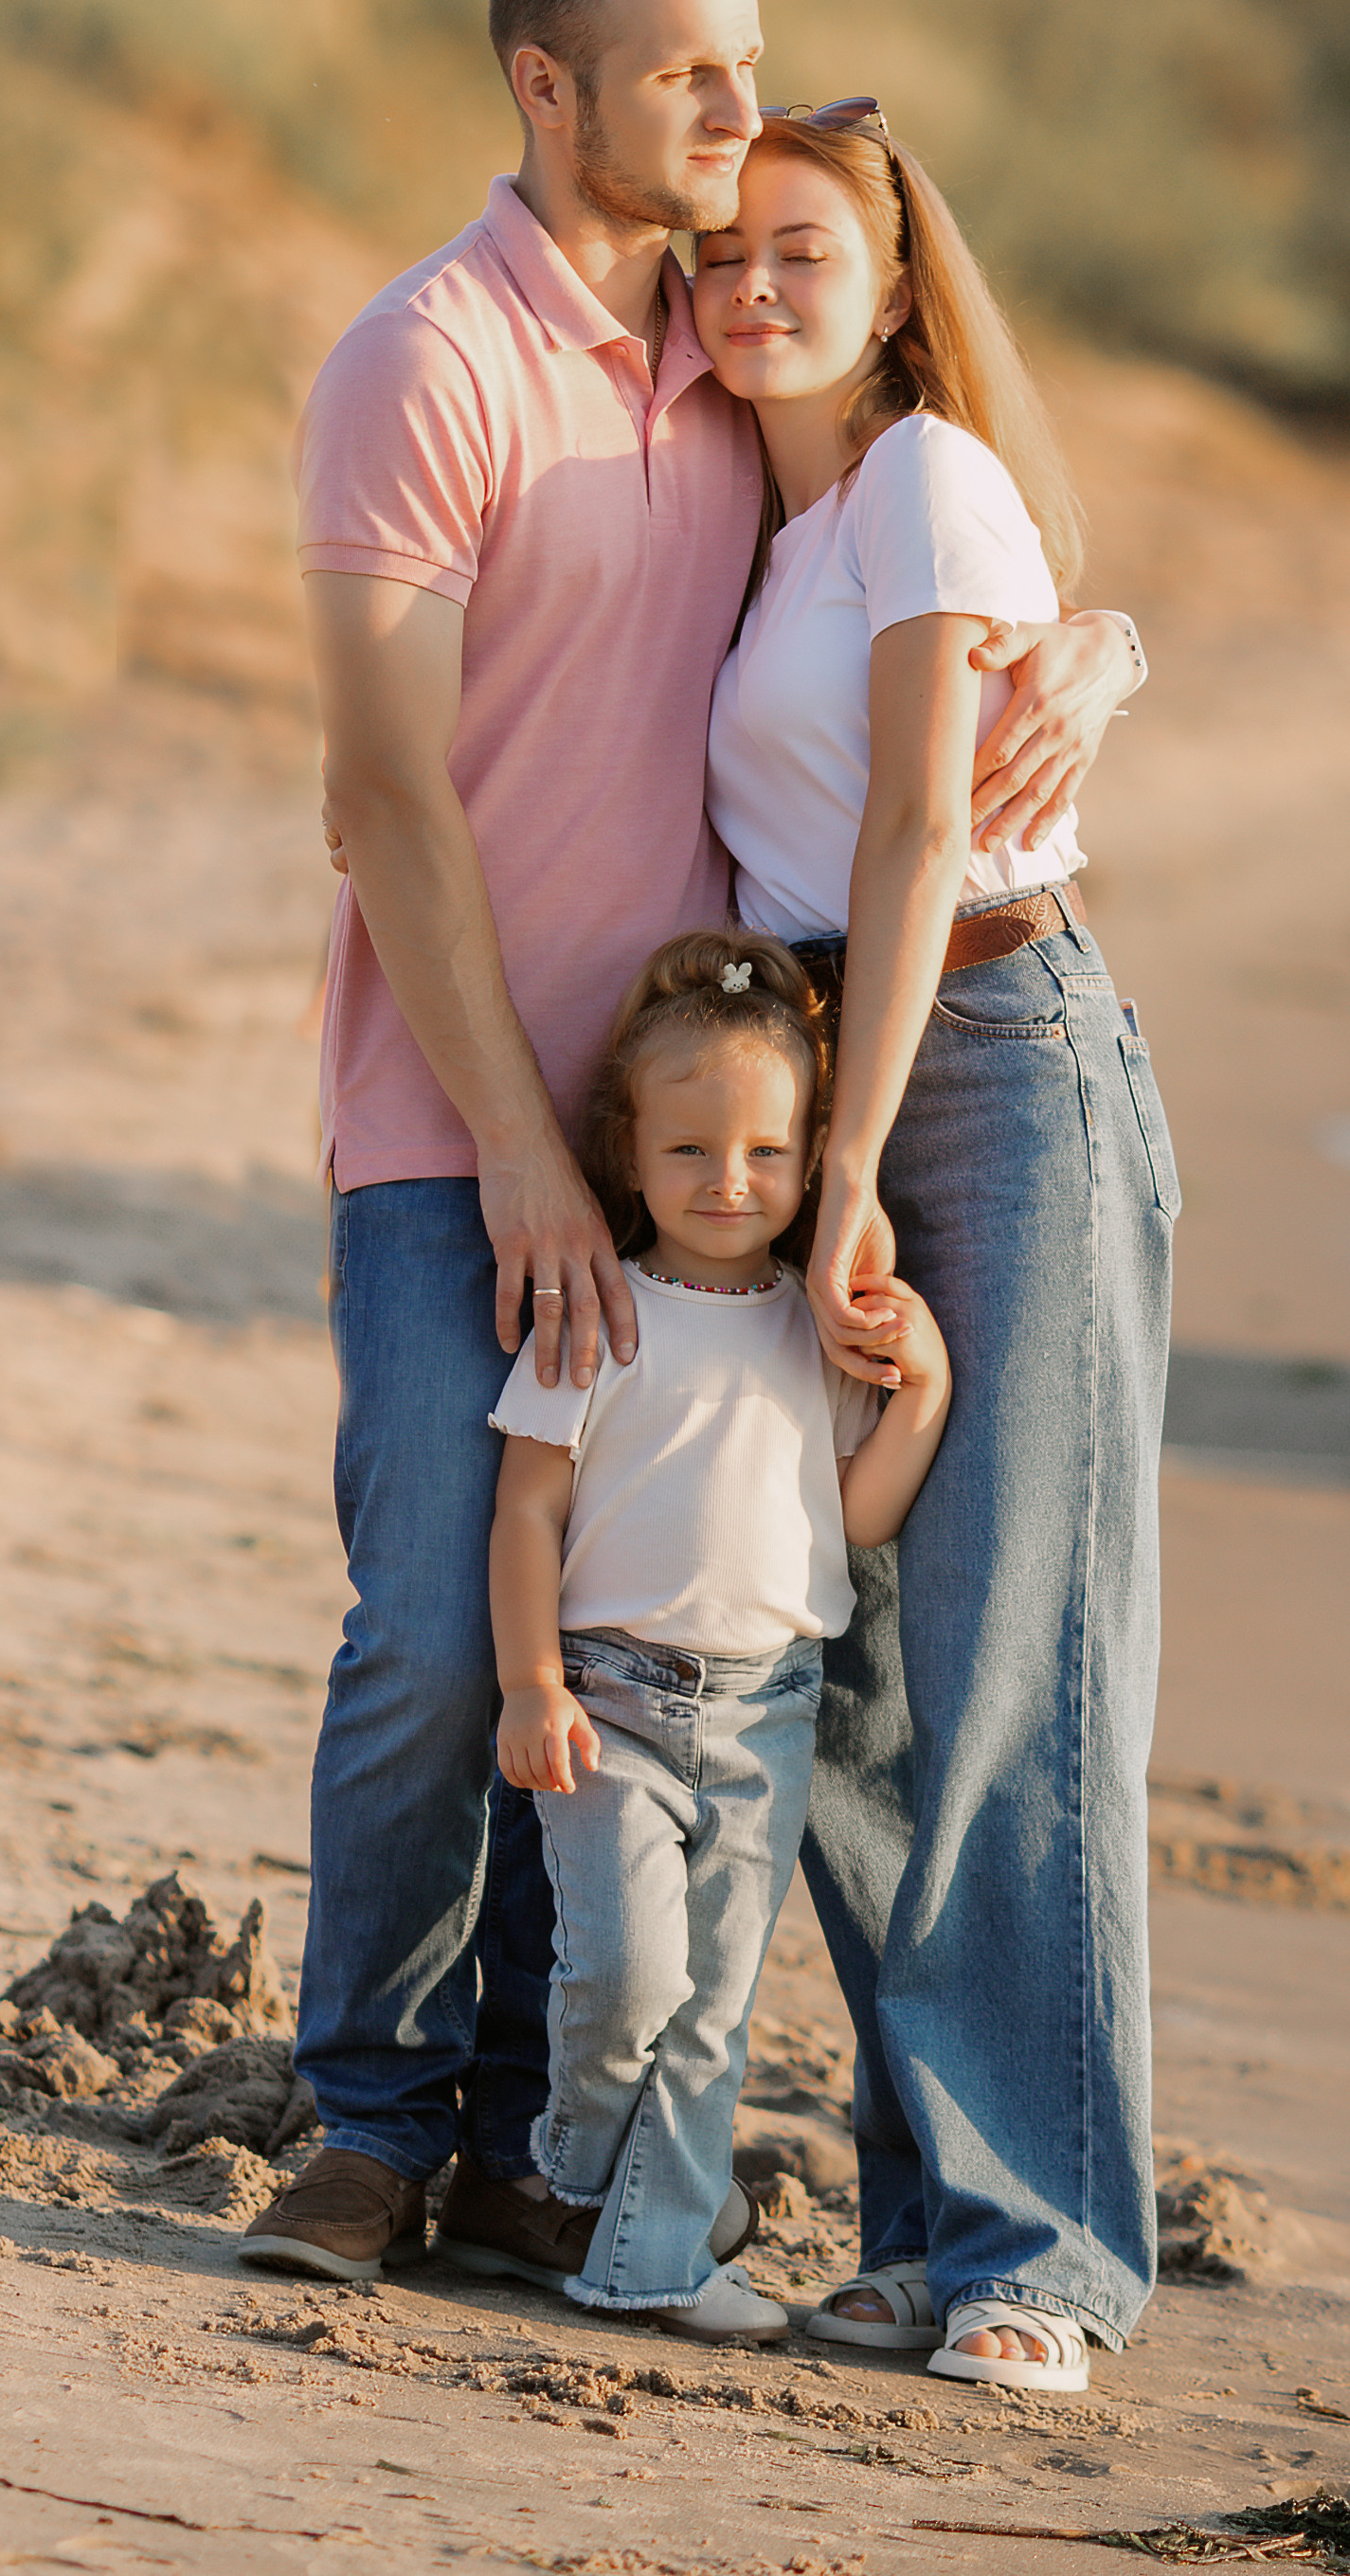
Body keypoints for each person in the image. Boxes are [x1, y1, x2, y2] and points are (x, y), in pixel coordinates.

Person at [240, 0, 1144, 2285]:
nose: (736, 119)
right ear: (546, 86)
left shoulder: (723, 346)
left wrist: (1100, 647)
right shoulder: (421, 364)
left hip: (705, 1155)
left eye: (748, 74)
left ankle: (554, 2149)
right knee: (451, 1621)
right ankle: (363, 2120)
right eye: (687, 79)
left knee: (686, 1630)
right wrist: (529, 1164)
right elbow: (389, 796)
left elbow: (943, 512)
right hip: (470, 1129)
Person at [690, 99, 1178, 2401]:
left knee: (1012, 1661)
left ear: (890, 288)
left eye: (802, 249)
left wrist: (852, 1158)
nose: (754, 283)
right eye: (726, 253)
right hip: (845, 1075)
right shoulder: (778, 530)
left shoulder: (913, 483)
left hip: (988, 1063)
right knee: (859, 1669)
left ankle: (1052, 2251)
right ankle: (920, 2218)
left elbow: (907, 825)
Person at [482, 931, 947, 2338]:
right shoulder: (601, 1317)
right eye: (691, 1151)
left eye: (764, 1152)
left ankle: (651, 2264)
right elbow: (523, 1513)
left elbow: (862, 1520)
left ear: (813, 1160)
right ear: (629, 1156)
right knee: (628, 1978)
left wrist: (917, 1388)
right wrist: (528, 1685)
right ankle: (568, 2168)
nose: (729, 1182)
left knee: (714, 2013)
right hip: (609, 1703)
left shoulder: (818, 1335)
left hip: (770, 1709)